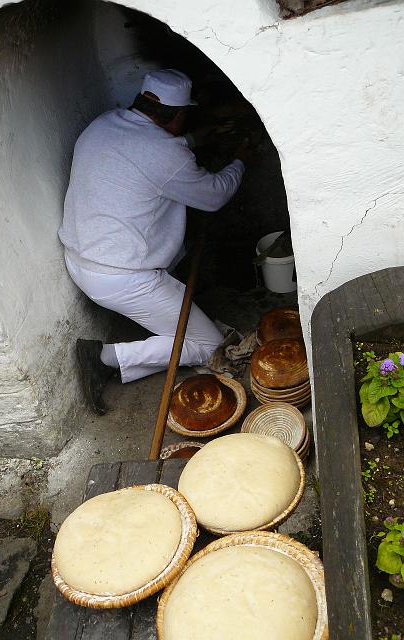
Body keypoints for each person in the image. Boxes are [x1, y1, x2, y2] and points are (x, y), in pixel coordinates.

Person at [59, 69, 251, 415]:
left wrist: (195, 140)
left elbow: (146, 155)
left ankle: (173, 305)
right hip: (124, 277)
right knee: (208, 347)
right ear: (178, 115)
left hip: (82, 260)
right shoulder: (166, 154)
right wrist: (240, 161)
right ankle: (105, 358)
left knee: (178, 245)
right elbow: (214, 195)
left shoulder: (102, 123)